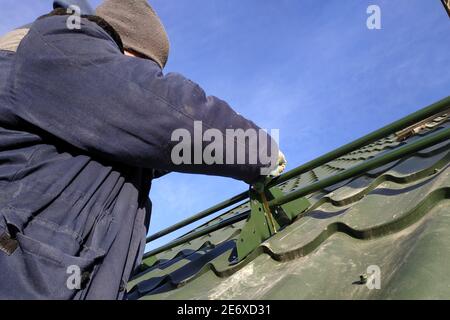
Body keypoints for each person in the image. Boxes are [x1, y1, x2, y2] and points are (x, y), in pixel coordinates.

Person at [0, 0, 286, 299]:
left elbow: (142, 146)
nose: (144, 78)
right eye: (143, 70)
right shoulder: (65, 49)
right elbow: (168, 115)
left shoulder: (72, 99)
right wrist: (260, 152)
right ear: (127, 53)